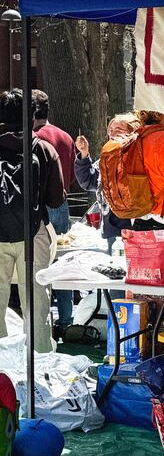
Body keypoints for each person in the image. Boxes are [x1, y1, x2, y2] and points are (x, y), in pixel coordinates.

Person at [0, 89, 65, 352]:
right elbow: (56, 199)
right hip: (33, 233)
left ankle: (3, 369)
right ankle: (39, 363)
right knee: (36, 301)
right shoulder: (43, 148)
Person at [31, 90, 77, 332]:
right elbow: (69, 175)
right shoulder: (66, 137)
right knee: (63, 263)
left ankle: (43, 321)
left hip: (41, 206)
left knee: (42, 265)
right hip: (62, 203)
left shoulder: (34, 139)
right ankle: (67, 319)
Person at [74, 114, 139, 251]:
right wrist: (84, 154)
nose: (112, 134)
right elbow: (88, 180)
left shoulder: (139, 158)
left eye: (118, 130)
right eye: (111, 130)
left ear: (133, 132)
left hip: (135, 228)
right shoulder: (107, 159)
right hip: (111, 229)